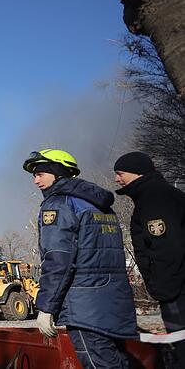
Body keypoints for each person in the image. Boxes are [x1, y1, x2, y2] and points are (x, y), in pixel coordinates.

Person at [23, 149, 137, 369]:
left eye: (40, 174)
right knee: (117, 362)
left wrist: (46, 308)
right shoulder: (100, 205)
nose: (36, 181)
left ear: (58, 172)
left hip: (84, 308)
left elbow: (58, 260)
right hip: (113, 302)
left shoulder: (58, 205)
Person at [114, 151, 185, 366]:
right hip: (177, 287)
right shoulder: (155, 195)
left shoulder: (155, 199)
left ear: (137, 173)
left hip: (176, 290)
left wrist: (163, 288)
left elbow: (166, 247)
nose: (117, 179)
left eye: (120, 173)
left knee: (181, 344)